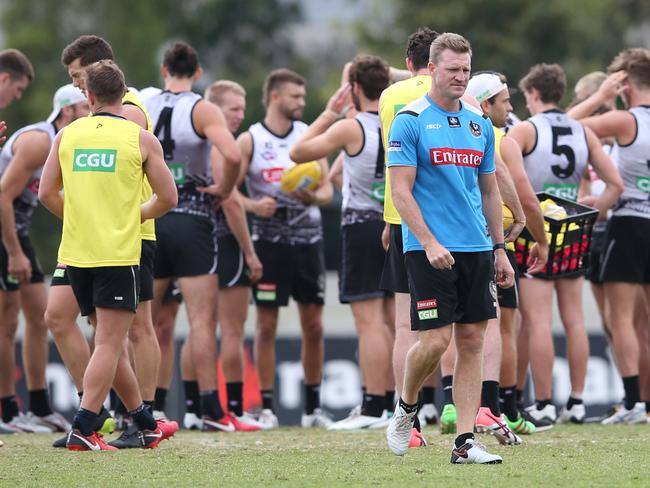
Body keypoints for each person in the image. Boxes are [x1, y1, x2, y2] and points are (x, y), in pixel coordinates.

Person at [385, 32, 513, 464]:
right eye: (453, 69)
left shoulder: (479, 123)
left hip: (477, 247)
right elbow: (400, 192)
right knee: (436, 341)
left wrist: (499, 248)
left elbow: (490, 192)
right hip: (428, 249)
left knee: (473, 339)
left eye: (466, 69)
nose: (460, 77)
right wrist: (428, 241)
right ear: (432, 69)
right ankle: (405, 408)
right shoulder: (411, 119)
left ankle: (464, 442)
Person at [39, 60, 178, 451]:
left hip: (76, 253)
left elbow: (46, 193)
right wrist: (135, 214)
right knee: (108, 343)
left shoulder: (66, 135)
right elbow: (168, 198)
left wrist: (83, 216)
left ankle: (144, 422)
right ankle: (84, 426)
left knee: (103, 338)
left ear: (89, 95)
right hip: (118, 253)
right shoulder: (140, 138)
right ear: (124, 94)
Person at [508, 63, 623, 425]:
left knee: (537, 321)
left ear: (534, 94)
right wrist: (594, 211)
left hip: (535, 229)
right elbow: (615, 183)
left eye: (526, 97)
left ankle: (542, 402)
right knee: (575, 320)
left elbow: (504, 171)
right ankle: (575, 401)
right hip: (573, 228)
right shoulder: (582, 131)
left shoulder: (525, 130)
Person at [291, 55, 393, 429]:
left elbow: (298, 152)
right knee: (392, 322)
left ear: (353, 89)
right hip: (395, 225)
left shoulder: (352, 127)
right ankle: (400, 406)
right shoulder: (399, 122)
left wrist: (330, 113)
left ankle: (373, 407)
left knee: (368, 323)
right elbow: (336, 174)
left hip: (361, 226)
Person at [155, 80, 263, 431]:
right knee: (220, 328)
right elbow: (230, 201)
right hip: (212, 242)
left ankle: (181, 407)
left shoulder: (196, 137)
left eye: (243, 109)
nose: (239, 115)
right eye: (233, 108)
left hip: (175, 234)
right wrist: (249, 252)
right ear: (216, 108)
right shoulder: (215, 141)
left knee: (171, 325)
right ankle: (223, 408)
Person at [145, 42, 241, 432]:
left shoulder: (143, 104)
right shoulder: (202, 108)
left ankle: (142, 408)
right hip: (193, 220)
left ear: (164, 68)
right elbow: (232, 155)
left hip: (150, 218)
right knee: (201, 321)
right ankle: (210, 410)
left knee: (147, 324)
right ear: (198, 73)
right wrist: (223, 188)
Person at [238, 68, 333, 428]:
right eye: (295, 96)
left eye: (303, 97)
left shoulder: (308, 138)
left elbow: (326, 191)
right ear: (275, 96)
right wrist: (252, 206)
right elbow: (228, 189)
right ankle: (265, 408)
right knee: (265, 327)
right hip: (268, 245)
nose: (301, 103)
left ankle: (312, 409)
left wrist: (310, 195)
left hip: (308, 243)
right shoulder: (251, 139)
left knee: (315, 326)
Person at [567, 48, 650, 423]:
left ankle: (633, 402)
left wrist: (601, 98)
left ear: (626, 84)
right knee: (644, 322)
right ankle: (643, 404)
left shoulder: (625, 120)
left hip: (629, 221)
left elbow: (563, 125)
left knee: (622, 321)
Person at [0, 85, 88, 435]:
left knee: (41, 317)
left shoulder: (65, 142)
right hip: (6, 236)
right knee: (7, 323)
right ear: (67, 111)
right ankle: (7, 409)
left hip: (17, 234)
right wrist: (15, 252)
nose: (91, 111)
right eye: (85, 106)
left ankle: (37, 406)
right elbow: (3, 196)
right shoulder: (40, 141)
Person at [466, 72, 549, 435]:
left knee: (460, 329)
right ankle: (505, 409)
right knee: (505, 325)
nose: (511, 108)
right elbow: (527, 198)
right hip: (496, 241)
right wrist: (539, 239)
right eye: (505, 101)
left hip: (461, 238)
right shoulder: (501, 139)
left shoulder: (450, 130)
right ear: (485, 105)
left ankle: (458, 406)